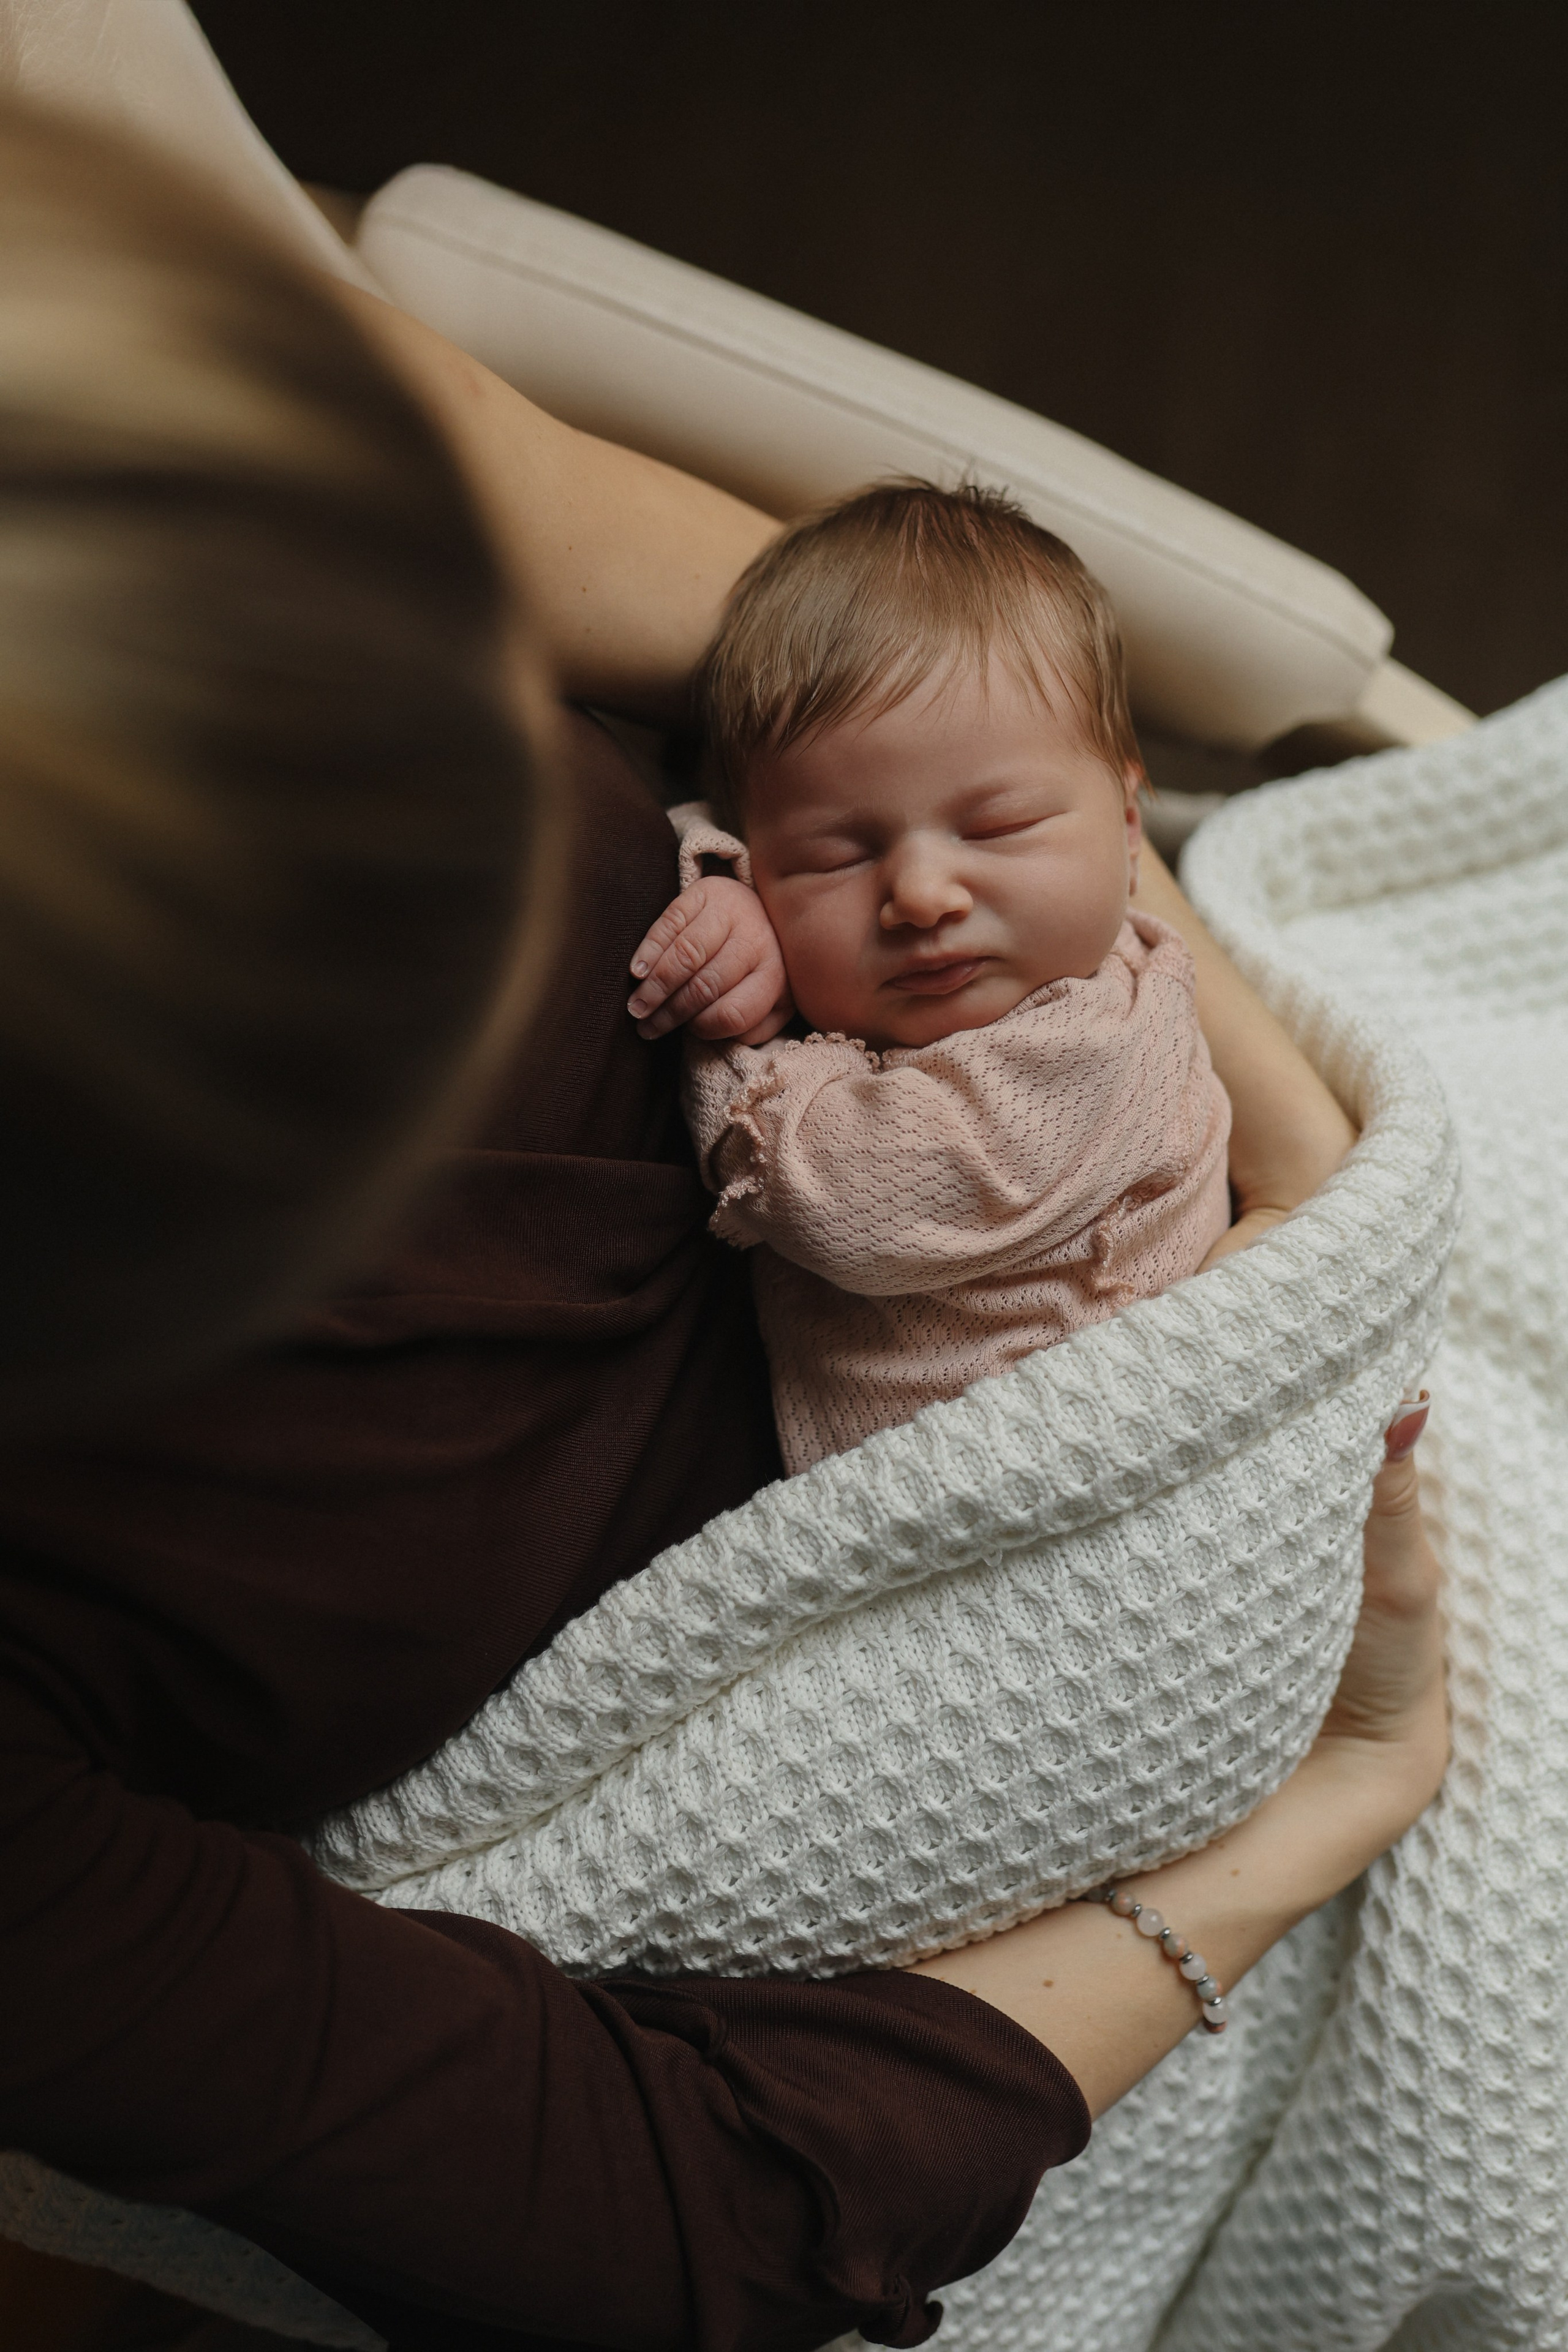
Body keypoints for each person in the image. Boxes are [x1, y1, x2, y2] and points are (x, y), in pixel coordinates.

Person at [0, 102, 1446, 2352]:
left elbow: (659, 578)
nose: (546, 749)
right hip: (968, 1751)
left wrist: (1254, 1118)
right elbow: (689, 2222)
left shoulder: (90, 385)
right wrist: (1324, 1812)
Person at [635, 481, 1232, 1472]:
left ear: (1130, 827)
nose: (919, 893)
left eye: (996, 828)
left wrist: (734, 1042)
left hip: (1087, 1483)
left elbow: (845, 1199)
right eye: (833, 857)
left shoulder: (1096, 1032)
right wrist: (727, 884)